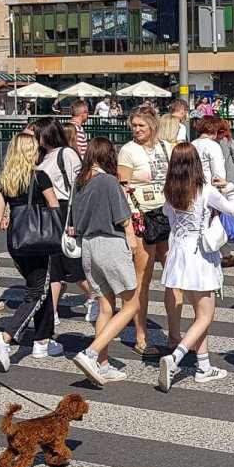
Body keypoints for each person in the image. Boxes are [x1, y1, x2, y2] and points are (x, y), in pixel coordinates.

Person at [155, 143, 234, 391]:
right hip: (199, 253)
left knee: (198, 315)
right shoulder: (205, 190)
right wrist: (230, 189)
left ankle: (203, 366)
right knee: (205, 316)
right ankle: (175, 358)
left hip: (179, 251)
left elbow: (169, 219)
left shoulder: (170, 191)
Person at [0, 135, 64, 372]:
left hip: (16, 240)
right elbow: (54, 207)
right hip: (39, 239)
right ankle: (6, 337)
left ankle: (42, 340)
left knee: (42, 286)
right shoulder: (40, 176)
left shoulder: (6, 180)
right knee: (36, 292)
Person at [70, 138, 139, 387]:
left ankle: (103, 364)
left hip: (88, 245)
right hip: (110, 242)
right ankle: (91, 353)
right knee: (131, 304)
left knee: (105, 306)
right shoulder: (108, 180)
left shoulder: (81, 181)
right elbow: (123, 217)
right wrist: (131, 240)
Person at [118, 107, 173, 357]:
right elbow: (122, 187)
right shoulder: (129, 151)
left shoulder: (167, 148)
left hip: (166, 213)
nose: (137, 130)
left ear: (153, 125)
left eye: (141, 125)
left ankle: (174, 335)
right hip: (141, 215)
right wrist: (129, 223)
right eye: (134, 125)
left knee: (174, 276)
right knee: (144, 277)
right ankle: (141, 335)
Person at [32, 120, 95, 325]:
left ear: (45, 134)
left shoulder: (65, 153)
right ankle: (53, 310)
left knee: (70, 260)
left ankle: (95, 297)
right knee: (54, 265)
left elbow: (78, 185)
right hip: (49, 211)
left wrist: (75, 218)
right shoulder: (43, 156)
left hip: (63, 209)